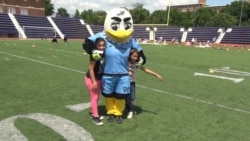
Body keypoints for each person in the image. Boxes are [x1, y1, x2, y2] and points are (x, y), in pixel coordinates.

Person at [83, 7, 146, 124]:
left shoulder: (131, 41)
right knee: (109, 94)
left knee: (120, 95)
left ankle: (118, 113)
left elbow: (140, 55)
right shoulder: (103, 37)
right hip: (107, 74)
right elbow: (88, 43)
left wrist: (141, 60)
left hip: (123, 74)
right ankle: (110, 112)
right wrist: (92, 50)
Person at [126, 49, 163, 119]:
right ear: (130, 55)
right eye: (134, 56)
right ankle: (129, 110)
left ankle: (129, 105)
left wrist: (156, 74)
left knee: (132, 97)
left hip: (132, 83)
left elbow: (146, 70)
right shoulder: (125, 62)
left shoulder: (137, 64)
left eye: (137, 57)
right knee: (126, 97)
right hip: (124, 82)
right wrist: (127, 72)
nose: (135, 58)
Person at [84, 38, 105, 126]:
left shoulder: (103, 54)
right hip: (91, 78)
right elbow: (91, 69)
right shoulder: (94, 54)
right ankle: (95, 117)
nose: (102, 47)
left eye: (103, 45)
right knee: (94, 97)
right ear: (96, 46)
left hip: (99, 77)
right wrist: (94, 82)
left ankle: (92, 112)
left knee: (96, 97)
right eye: (99, 45)